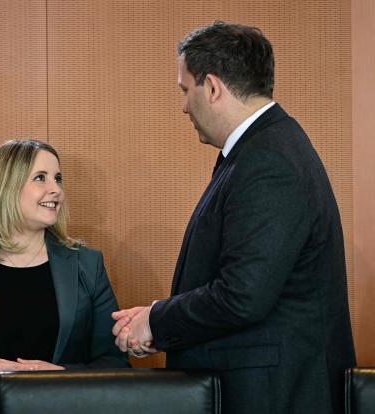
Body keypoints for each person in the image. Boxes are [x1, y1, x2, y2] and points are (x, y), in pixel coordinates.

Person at [112, 22, 355, 414]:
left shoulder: (268, 159)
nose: (184, 106)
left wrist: (156, 320)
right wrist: (160, 323)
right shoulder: (261, 149)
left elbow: (243, 296)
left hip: (271, 396)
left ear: (212, 87)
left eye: (185, 90)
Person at [0, 139, 129, 414]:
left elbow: (115, 363)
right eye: (40, 178)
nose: (55, 190)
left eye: (58, 179)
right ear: (6, 186)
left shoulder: (87, 263)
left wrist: (62, 375)